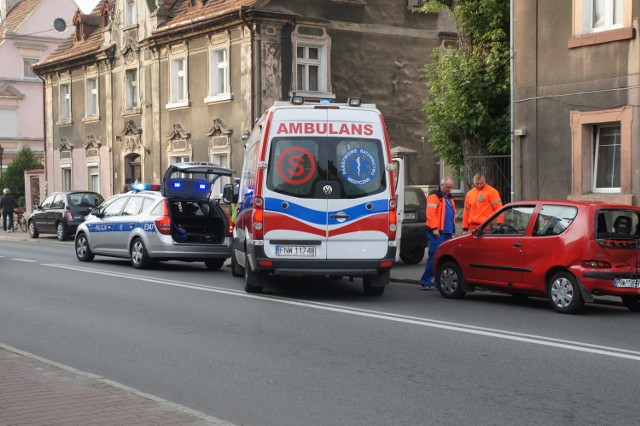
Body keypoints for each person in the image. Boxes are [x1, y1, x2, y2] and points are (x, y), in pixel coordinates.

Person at [420, 177, 456, 290]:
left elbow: (451, 215)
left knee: (443, 259)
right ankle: (426, 281)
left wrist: (453, 231)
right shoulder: (434, 196)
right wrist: (434, 228)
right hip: (438, 233)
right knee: (434, 257)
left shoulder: (449, 198)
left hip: (447, 232)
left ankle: (437, 282)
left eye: (451, 187)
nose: (450, 190)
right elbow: (431, 213)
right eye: (447, 187)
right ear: (442, 185)